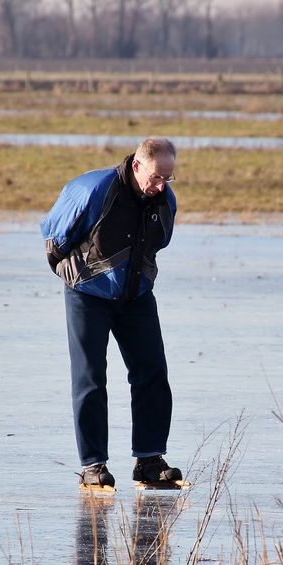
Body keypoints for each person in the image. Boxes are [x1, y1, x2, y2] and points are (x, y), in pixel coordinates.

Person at [41, 137, 183, 489]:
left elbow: (158, 242)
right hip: (87, 295)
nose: (161, 185)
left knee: (152, 372)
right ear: (137, 165)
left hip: (136, 296)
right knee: (90, 377)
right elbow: (54, 236)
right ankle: (94, 465)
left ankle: (149, 461)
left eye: (168, 177)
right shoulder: (94, 190)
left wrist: (134, 279)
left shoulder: (165, 200)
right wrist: (74, 275)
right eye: (155, 176)